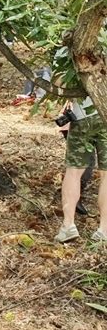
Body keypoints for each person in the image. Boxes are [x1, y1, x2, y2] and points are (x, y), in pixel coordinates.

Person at [54, 96, 107, 243]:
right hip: (104, 112)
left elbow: (61, 84)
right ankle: (104, 229)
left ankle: (68, 225)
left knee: (73, 171)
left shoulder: (74, 71)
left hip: (83, 115)